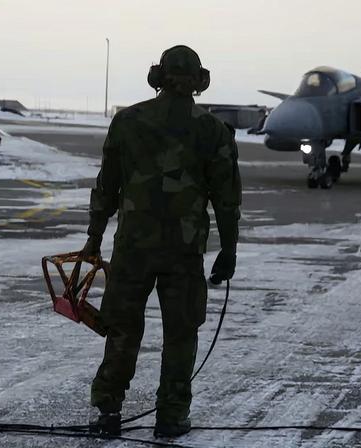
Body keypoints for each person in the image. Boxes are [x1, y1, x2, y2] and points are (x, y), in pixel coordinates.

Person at [81, 45, 242, 438]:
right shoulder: (212, 131)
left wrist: (93, 238)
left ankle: (108, 412)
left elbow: (107, 186)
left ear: (157, 76)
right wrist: (229, 249)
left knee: (121, 329)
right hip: (183, 252)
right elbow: (227, 199)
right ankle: (171, 417)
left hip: (133, 247)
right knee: (181, 333)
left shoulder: (128, 121)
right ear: (200, 81)